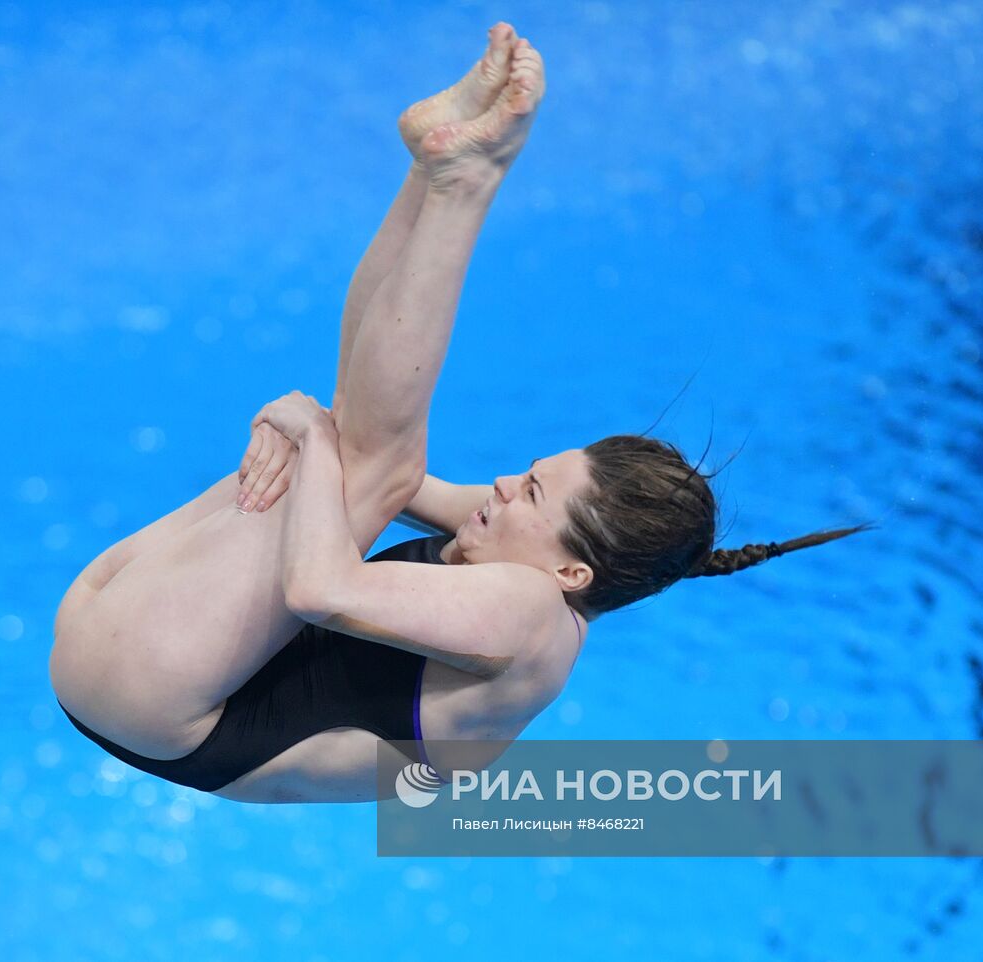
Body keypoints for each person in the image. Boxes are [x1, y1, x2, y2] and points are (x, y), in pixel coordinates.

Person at [49, 24, 868, 804]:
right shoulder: (526, 564)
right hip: (130, 679)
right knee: (353, 447)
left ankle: (464, 180)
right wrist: (316, 434)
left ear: (572, 573)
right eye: (531, 474)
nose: (506, 482)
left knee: (353, 455)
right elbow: (378, 448)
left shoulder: (529, 615)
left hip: (158, 699)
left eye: (533, 495)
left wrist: (303, 430)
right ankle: (432, 166)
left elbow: (320, 585)